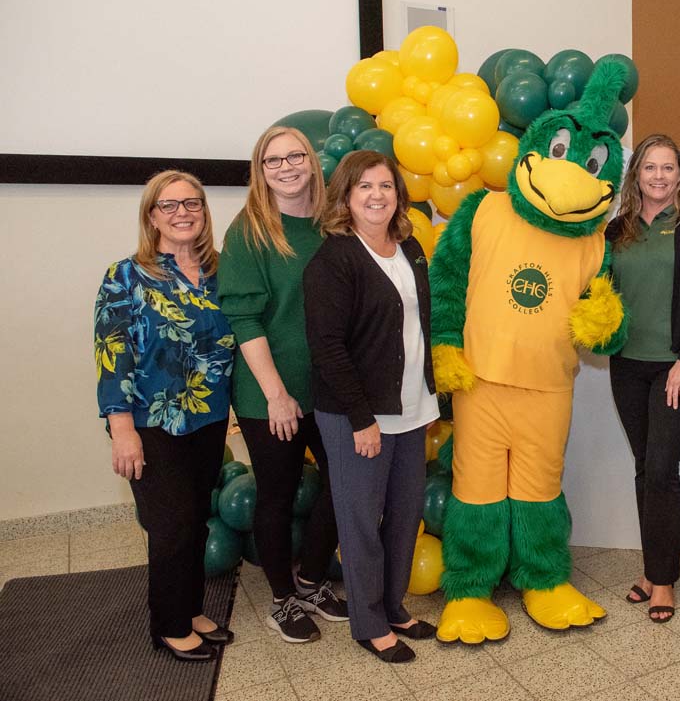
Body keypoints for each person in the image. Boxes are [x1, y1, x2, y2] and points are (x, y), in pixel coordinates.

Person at [94, 170, 236, 662]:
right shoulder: (126, 275)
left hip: (208, 419)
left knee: (195, 521)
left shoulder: (221, 272)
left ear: (204, 212)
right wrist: (122, 430)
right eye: (169, 205)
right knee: (171, 526)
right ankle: (170, 626)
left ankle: (190, 609)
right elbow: (112, 353)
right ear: (151, 216)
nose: (182, 213)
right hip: (151, 422)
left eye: (192, 203)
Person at [303, 150, 438, 663]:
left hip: (413, 407)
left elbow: (418, 326)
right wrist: (361, 419)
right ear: (345, 196)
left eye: (385, 186)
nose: (377, 196)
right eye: (364, 187)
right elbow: (328, 348)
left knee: (404, 516)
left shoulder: (411, 247)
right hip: (356, 415)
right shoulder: (334, 259)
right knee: (360, 521)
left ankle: (393, 606)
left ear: (398, 196)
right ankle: (369, 622)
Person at [217, 126, 347, 644]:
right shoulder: (249, 231)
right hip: (269, 392)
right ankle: (281, 599)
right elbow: (244, 318)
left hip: (330, 386)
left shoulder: (332, 222)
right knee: (276, 494)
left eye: (295, 156)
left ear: (311, 162)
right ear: (260, 171)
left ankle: (311, 581)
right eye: (273, 160)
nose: (286, 167)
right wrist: (276, 394)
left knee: (346, 483)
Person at [605, 134, 680, 623]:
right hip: (627, 364)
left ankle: (664, 581)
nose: (659, 176)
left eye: (667, 167)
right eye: (650, 167)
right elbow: (602, 290)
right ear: (636, 174)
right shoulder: (618, 228)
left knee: (660, 468)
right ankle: (652, 569)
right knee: (643, 467)